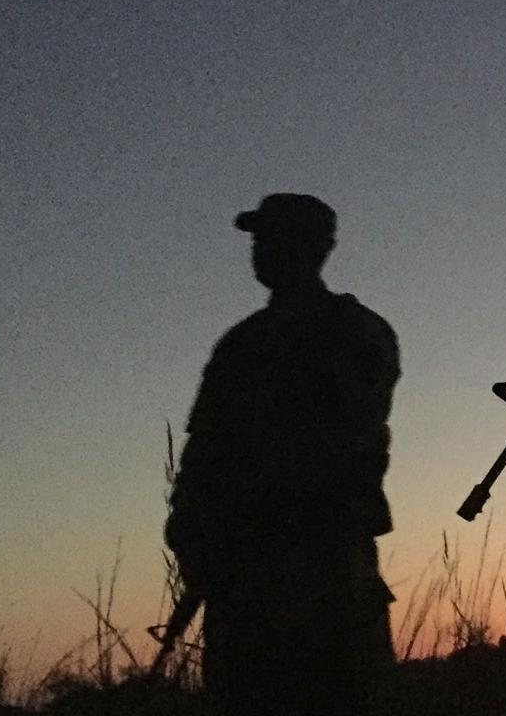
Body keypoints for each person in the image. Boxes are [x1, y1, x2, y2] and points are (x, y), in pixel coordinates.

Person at [165, 193, 401, 716]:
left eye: (273, 238)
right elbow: (204, 452)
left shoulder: (356, 331)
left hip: (325, 569)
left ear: (315, 248)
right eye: (258, 239)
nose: (259, 250)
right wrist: (190, 534)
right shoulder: (241, 344)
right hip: (243, 578)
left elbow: (344, 442)